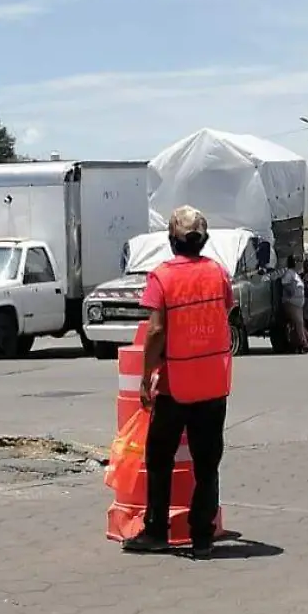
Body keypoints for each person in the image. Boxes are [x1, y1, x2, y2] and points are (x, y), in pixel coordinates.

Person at [124, 206, 235, 559]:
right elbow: (225, 311)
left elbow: (156, 330)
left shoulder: (162, 277)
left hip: (175, 386)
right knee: (208, 461)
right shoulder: (218, 273)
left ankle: (157, 529)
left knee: (159, 458)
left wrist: (145, 376)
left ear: (172, 241)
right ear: (203, 240)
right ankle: (202, 537)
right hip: (214, 383)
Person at [279, 260, 308, 352]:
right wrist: (291, 294)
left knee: (299, 324)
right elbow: (285, 284)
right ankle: (304, 343)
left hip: (298, 303)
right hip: (291, 302)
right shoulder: (289, 273)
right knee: (299, 323)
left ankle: (300, 343)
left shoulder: (295, 273)